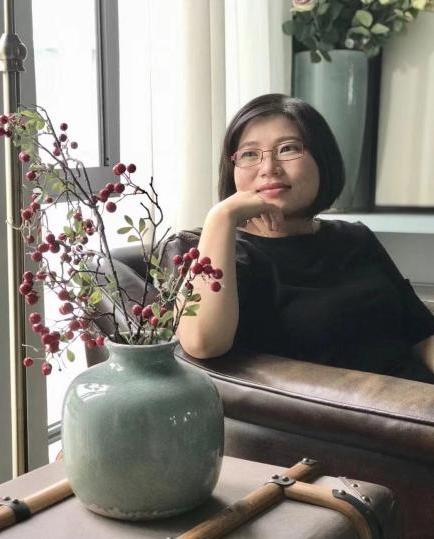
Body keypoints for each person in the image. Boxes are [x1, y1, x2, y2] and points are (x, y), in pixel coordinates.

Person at [177, 93, 434, 384]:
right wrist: (220, 216)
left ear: (323, 159)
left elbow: (421, 334)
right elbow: (202, 344)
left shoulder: (356, 237)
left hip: (419, 399)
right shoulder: (233, 257)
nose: (269, 167)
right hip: (350, 411)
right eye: (249, 154)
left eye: (287, 149)